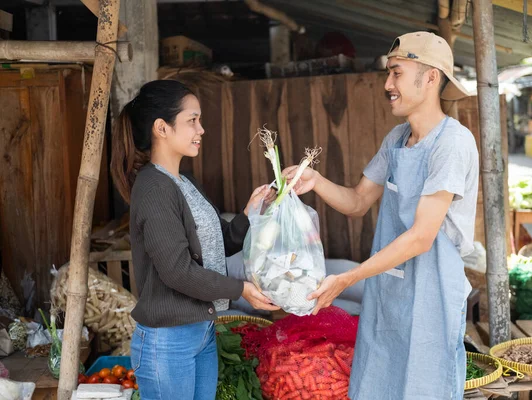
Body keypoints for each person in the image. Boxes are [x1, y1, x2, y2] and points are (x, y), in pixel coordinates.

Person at [284, 31, 479, 399]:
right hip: (388, 287)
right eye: (388, 74)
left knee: (424, 386)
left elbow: (423, 236)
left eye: (397, 73)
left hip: (432, 290)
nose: (387, 84)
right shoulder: (396, 138)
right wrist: (316, 180)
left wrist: (348, 278)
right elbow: (358, 201)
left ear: (431, 77)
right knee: (377, 379)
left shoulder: (452, 143)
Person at [110, 80, 279, 400]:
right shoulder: (153, 189)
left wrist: (249, 214)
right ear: (162, 128)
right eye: (192, 120)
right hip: (167, 342)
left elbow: (219, 244)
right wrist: (241, 290)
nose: (200, 129)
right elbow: (177, 271)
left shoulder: (184, 183)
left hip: (199, 332)